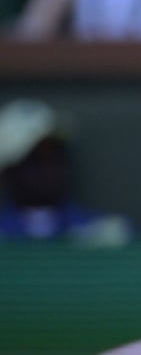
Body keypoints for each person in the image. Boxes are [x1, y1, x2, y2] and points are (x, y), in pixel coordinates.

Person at [0, 98, 132, 245]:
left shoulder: (104, 233)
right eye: (37, 159)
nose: (52, 168)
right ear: (8, 172)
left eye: (57, 155)